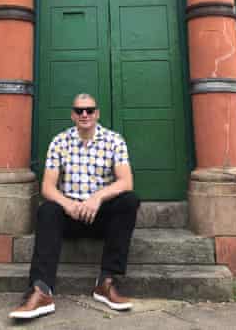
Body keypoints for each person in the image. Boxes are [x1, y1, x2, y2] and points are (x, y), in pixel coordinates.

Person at [10, 94, 140, 319]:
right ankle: (41, 290)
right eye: (79, 111)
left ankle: (107, 281)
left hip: (101, 217)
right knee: (47, 209)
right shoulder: (60, 142)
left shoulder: (114, 140)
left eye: (89, 110)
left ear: (97, 113)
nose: (85, 115)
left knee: (129, 200)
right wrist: (68, 204)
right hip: (69, 216)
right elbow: (48, 187)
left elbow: (126, 181)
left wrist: (97, 198)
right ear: (73, 115)